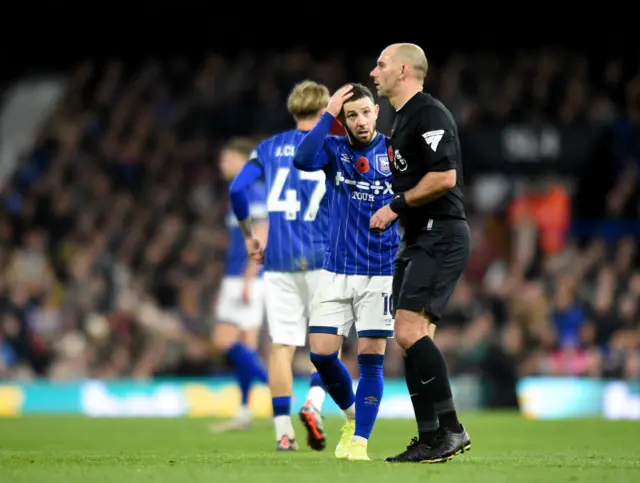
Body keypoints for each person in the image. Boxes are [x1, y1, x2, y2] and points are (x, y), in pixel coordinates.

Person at [369, 43, 472, 463]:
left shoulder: (429, 113)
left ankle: (452, 429)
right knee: (412, 339)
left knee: (409, 333)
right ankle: (429, 438)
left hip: (440, 235)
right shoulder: (402, 120)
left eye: (381, 64)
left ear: (405, 71)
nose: (374, 72)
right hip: (418, 238)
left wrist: (395, 206)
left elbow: (445, 176)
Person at [293, 83, 398, 461]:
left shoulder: (393, 150)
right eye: (351, 115)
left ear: (377, 112)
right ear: (344, 120)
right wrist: (328, 113)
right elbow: (302, 160)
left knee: (371, 357)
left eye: (366, 112)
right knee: (321, 355)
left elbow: (420, 191)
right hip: (336, 270)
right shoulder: (334, 151)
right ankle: (352, 416)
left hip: (380, 270)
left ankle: (360, 442)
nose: (361, 120)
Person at [229, 80, 332, 451]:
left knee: (282, 347)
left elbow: (237, 189)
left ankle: (282, 432)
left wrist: (248, 235)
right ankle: (314, 404)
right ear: (324, 112)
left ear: (292, 111)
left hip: (279, 261)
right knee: (326, 344)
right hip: (323, 258)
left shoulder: (268, 148)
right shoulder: (330, 144)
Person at [210, 138, 269, 433]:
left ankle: (276, 391)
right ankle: (245, 410)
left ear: (241, 160)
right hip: (241, 276)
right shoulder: (239, 192)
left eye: (227, 158)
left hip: (243, 278)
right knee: (246, 345)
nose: (222, 164)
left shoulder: (251, 191)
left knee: (222, 340)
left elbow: (262, 232)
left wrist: (249, 277)